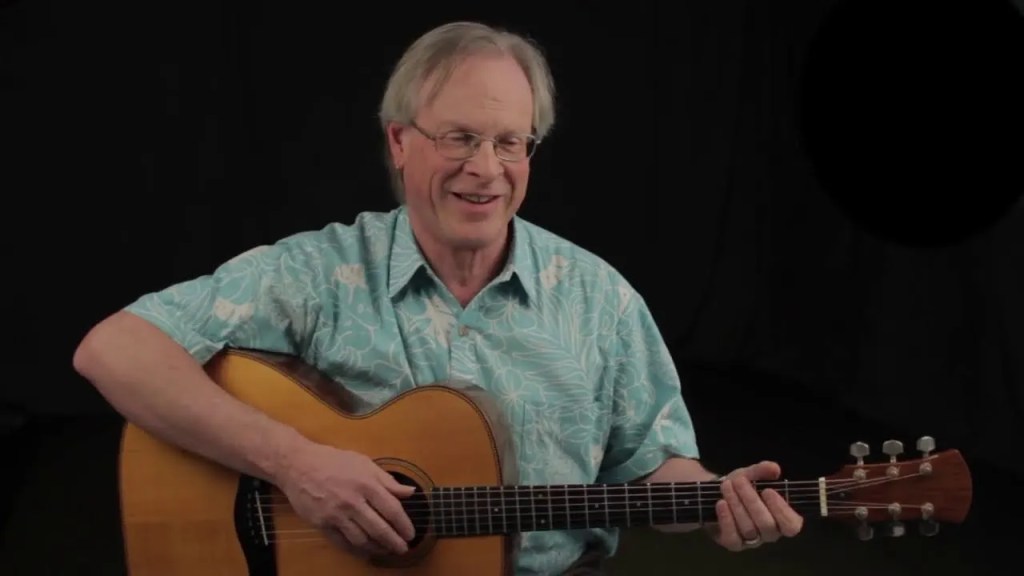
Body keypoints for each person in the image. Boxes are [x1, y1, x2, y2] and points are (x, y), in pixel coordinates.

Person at [73, 21, 803, 575]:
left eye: (510, 143)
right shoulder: (320, 272)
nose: (485, 170)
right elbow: (113, 351)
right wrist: (296, 464)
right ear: (399, 142)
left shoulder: (599, 299)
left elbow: (654, 466)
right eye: (459, 137)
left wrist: (716, 502)